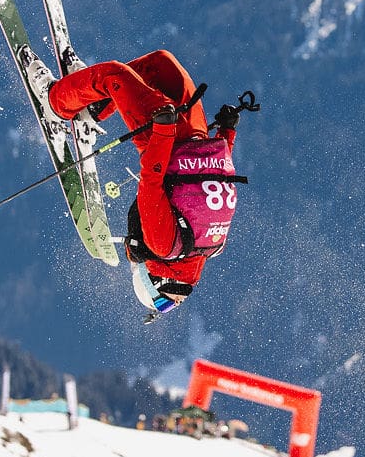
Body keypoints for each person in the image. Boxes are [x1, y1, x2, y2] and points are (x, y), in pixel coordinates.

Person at [46, 50, 256, 313]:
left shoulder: (197, 246)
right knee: (160, 64)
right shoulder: (184, 246)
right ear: (151, 281)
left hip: (166, 140)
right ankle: (77, 104)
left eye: (163, 303)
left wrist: (170, 131)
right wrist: (226, 132)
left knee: (116, 74)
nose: (173, 302)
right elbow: (207, 177)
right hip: (188, 138)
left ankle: (56, 103)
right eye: (165, 304)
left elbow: (168, 180)